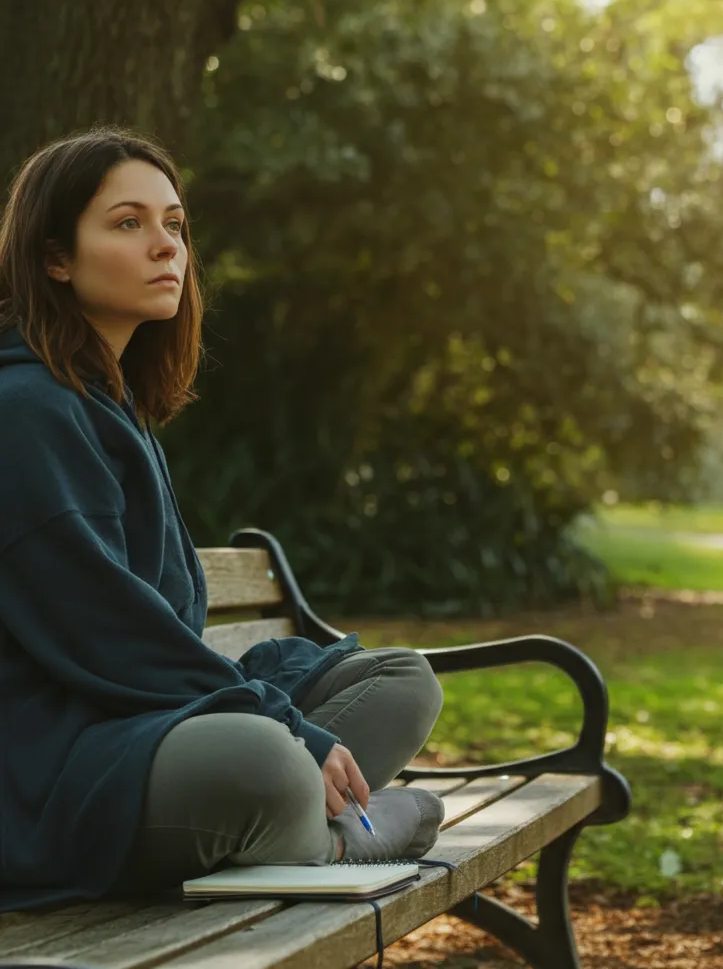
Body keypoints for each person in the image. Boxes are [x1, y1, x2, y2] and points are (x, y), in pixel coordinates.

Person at [0, 127, 445, 912]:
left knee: (399, 681)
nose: (165, 246)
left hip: (137, 711)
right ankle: (341, 839)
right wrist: (287, 731)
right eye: (128, 223)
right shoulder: (25, 411)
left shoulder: (111, 403)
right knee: (263, 762)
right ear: (54, 258)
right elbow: (108, 636)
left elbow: (159, 636)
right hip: (52, 756)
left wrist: (278, 710)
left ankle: (296, 829)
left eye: (174, 224)